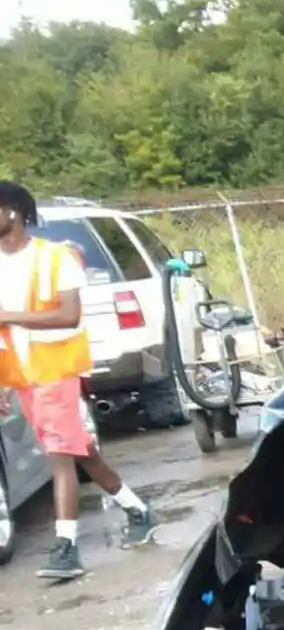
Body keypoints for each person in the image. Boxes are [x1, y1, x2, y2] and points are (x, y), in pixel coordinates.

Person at [0, 181, 156, 581]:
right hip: (23, 375)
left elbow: (69, 315)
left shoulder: (57, 258)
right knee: (81, 451)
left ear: (12, 212)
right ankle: (138, 510)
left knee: (59, 455)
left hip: (58, 370)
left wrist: (9, 315)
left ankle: (66, 548)